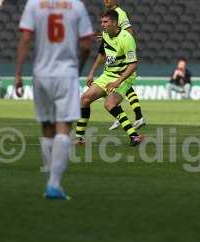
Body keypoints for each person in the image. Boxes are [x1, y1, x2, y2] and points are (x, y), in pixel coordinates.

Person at [15, 0, 93, 200]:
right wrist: (78, 68)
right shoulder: (76, 6)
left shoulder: (34, 4)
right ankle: (54, 184)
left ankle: (51, 181)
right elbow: (86, 45)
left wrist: (18, 75)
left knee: (47, 128)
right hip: (66, 73)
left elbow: (25, 39)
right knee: (64, 127)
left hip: (41, 73)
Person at [76, 9, 143, 146]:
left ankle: (134, 136)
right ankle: (79, 138)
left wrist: (118, 82)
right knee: (84, 99)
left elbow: (133, 66)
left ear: (115, 22)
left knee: (109, 104)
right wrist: (92, 72)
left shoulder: (126, 39)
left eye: (106, 22)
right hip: (108, 74)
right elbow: (102, 54)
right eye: (101, 22)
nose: (103, 24)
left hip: (124, 76)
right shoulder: (106, 35)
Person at [102, 0, 146, 131]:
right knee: (126, 88)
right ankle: (138, 117)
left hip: (122, 56)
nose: (105, 0)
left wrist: (124, 48)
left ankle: (128, 116)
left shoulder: (120, 13)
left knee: (121, 86)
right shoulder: (112, 14)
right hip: (118, 55)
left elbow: (129, 32)